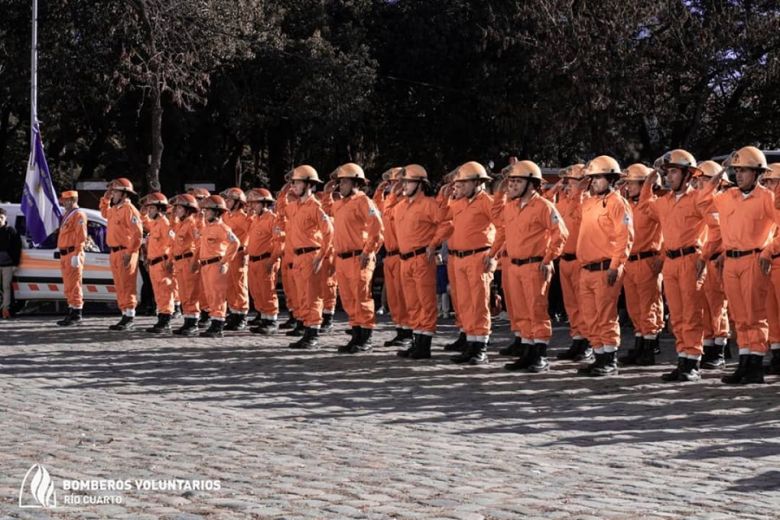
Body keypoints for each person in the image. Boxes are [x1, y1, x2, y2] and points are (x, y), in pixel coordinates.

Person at [700, 146, 778, 385]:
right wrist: (718, 175)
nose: (739, 175)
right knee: (740, 315)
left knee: (755, 315)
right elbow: (702, 201)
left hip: (754, 259)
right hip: (731, 262)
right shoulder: (728, 196)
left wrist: (768, 250)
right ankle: (744, 361)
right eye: (736, 170)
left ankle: (755, 363)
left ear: (757, 173)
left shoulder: (767, 197)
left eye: (744, 170)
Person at [489, 160, 568, 372]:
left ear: (531, 184)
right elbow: (502, 233)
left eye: (516, 181)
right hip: (514, 266)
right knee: (521, 312)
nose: (511, 185)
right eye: (511, 181)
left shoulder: (543, 206)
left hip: (534, 265)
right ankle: (527, 351)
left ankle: (540, 355)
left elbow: (561, 233)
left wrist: (549, 258)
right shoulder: (511, 206)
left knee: (536, 310)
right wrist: (492, 254)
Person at [641, 150, 711, 381]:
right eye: (667, 172)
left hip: (691, 259)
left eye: (673, 171)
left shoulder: (698, 199)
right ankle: (683, 359)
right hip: (670, 262)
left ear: (687, 175)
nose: (668, 176)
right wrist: (651, 177)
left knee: (691, 313)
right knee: (678, 315)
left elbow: (718, 227)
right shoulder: (664, 202)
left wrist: (705, 255)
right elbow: (644, 205)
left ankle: (693, 361)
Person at [429, 161, 498, 365]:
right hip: (458, 258)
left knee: (478, 303)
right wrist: (443, 196)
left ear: (477, 182)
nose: (460, 187)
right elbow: (441, 218)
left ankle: (481, 347)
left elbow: (503, 227)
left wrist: (494, 255)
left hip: (478, 257)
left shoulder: (487, 201)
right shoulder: (457, 202)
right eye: (459, 183)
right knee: (464, 303)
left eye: (464, 183)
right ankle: (470, 342)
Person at [574, 155, 634, 377]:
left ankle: (609, 358)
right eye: (593, 178)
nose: (594, 181)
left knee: (605, 316)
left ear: (610, 179)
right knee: (590, 316)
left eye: (598, 177)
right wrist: (581, 185)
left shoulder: (618, 203)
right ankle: (599, 355)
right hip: (587, 269)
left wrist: (616, 265)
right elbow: (572, 204)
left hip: (605, 269)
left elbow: (625, 237)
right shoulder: (589, 202)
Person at [328, 163, 384, 353]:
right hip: (342, 259)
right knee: (348, 299)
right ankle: (356, 335)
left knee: (361, 297)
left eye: (343, 182)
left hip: (358, 257)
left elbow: (377, 228)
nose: (340, 185)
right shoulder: (340, 204)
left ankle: (365, 337)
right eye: (340, 182)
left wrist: (368, 251)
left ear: (355, 182)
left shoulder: (363, 201)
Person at [394, 164, 444, 360]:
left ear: (420, 184)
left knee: (426, 302)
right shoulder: (400, 206)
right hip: (404, 259)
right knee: (412, 304)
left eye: (408, 182)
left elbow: (446, 224)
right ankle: (416, 340)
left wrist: (433, 244)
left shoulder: (429, 205)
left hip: (422, 258)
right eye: (403, 182)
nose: (404, 186)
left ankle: (425, 344)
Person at [281, 165, 334, 350]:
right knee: (301, 296)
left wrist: (321, 256)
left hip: (311, 254)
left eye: (297, 182)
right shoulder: (294, 207)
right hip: (297, 257)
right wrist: (285, 188)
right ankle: (306, 330)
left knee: (312, 296)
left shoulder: (315, 207)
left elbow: (329, 232)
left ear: (309, 184)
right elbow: (281, 209)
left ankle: (313, 334)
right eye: (293, 182)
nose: (293, 186)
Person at [617, 164, 664, 365]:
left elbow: (671, 228)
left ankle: (649, 346)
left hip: (647, 260)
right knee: (634, 307)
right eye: (627, 183)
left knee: (649, 306)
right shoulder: (627, 205)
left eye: (632, 183)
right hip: (629, 262)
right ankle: (639, 342)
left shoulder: (654, 205)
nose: (628, 187)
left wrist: (661, 256)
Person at [693, 161, 732, 368]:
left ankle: (720, 348)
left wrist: (723, 254)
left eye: (705, 179)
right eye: (699, 180)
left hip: (718, 259)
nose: (700, 184)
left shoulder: (722, 202)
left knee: (718, 306)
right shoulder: (706, 203)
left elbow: (727, 233)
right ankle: (709, 346)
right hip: (708, 258)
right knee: (706, 305)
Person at [552, 164, 592, 361]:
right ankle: (576, 338)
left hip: (579, 260)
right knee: (571, 305)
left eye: (572, 181)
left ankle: (587, 341)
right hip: (565, 260)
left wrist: (580, 191)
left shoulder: (586, 201)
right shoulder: (563, 202)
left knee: (584, 305)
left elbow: (581, 212)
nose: (567, 185)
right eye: (567, 181)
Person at [373, 168, 414, 348]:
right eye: (391, 183)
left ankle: (409, 331)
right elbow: (377, 210)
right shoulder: (390, 203)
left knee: (404, 296)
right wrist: (380, 191)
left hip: (401, 254)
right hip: (389, 255)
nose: (393, 186)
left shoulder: (405, 203)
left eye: (396, 182)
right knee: (394, 298)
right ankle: (400, 329)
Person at [100, 178, 143, 331]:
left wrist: (131, 252)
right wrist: (105, 199)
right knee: (119, 285)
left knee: (127, 284)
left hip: (126, 250)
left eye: (116, 191)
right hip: (115, 252)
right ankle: (124, 313)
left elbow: (138, 234)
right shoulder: (114, 209)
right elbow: (104, 213)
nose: (113, 194)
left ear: (124, 194)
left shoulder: (129, 209)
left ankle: (129, 315)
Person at [194, 195, 240, 338]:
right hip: (206, 265)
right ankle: (214, 321)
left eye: (208, 210)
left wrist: (225, 261)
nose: (205, 213)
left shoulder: (222, 227)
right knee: (210, 295)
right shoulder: (207, 228)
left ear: (216, 212)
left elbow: (235, 243)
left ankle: (218, 325)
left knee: (217, 295)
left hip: (216, 264)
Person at [246, 188, 283, 335]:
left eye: (256, 203)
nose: (253, 206)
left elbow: (279, 242)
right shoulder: (255, 219)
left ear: (264, 204)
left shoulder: (273, 219)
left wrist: (272, 260)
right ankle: (263, 318)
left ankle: (271, 321)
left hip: (266, 259)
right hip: (254, 261)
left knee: (267, 291)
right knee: (257, 291)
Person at [140, 192, 175, 333]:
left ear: (160, 209)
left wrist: (170, 261)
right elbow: (145, 223)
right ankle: (161, 317)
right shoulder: (155, 224)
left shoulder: (164, 224)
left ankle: (166, 320)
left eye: (152, 208)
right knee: (158, 293)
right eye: (149, 208)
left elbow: (173, 244)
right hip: (154, 263)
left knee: (165, 291)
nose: (150, 211)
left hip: (162, 263)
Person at [170, 194, 202, 336]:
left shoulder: (191, 224)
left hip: (189, 260)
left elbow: (199, 243)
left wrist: (195, 261)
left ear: (188, 210)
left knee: (191, 293)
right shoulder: (180, 224)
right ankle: (187, 320)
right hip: (180, 261)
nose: (177, 210)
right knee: (183, 293)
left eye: (180, 207)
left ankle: (193, 322)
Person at [55, 191, 88, 326]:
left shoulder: (78, 214)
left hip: (72, 252)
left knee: (74, 284)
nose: (63, 202)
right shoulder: (67, 215)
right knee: (69, 284)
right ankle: (71, 310)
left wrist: (77, 253)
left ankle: (76, 313)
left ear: (72, 200)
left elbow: (81, 236)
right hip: (65, 253)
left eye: (65, 200)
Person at [221, 188, 251, 331]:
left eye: (230, 200)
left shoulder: (242, 218)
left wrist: (246, 251)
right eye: (226, 200)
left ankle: (242, 314)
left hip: (239, 254)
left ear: (238, 203)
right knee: (229, 285)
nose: (227, 202)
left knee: (239, 285)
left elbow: (251, 234)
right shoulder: (227, 216)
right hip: (228, 254)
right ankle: (234, 312)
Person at [761, 163, 780, 374]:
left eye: (772, 182)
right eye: (766, 182)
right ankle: (777, 354)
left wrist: (768, 249)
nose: (769, 186)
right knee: (771, 313)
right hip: (770, 263)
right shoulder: (770, 204)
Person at [0, 207, 22, 319]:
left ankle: (5, 309)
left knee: (6, 287)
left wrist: (15, 264)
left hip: (7, 265)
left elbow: (17, 248)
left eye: (1, 217)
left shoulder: (11, 231)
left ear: (5, 218)